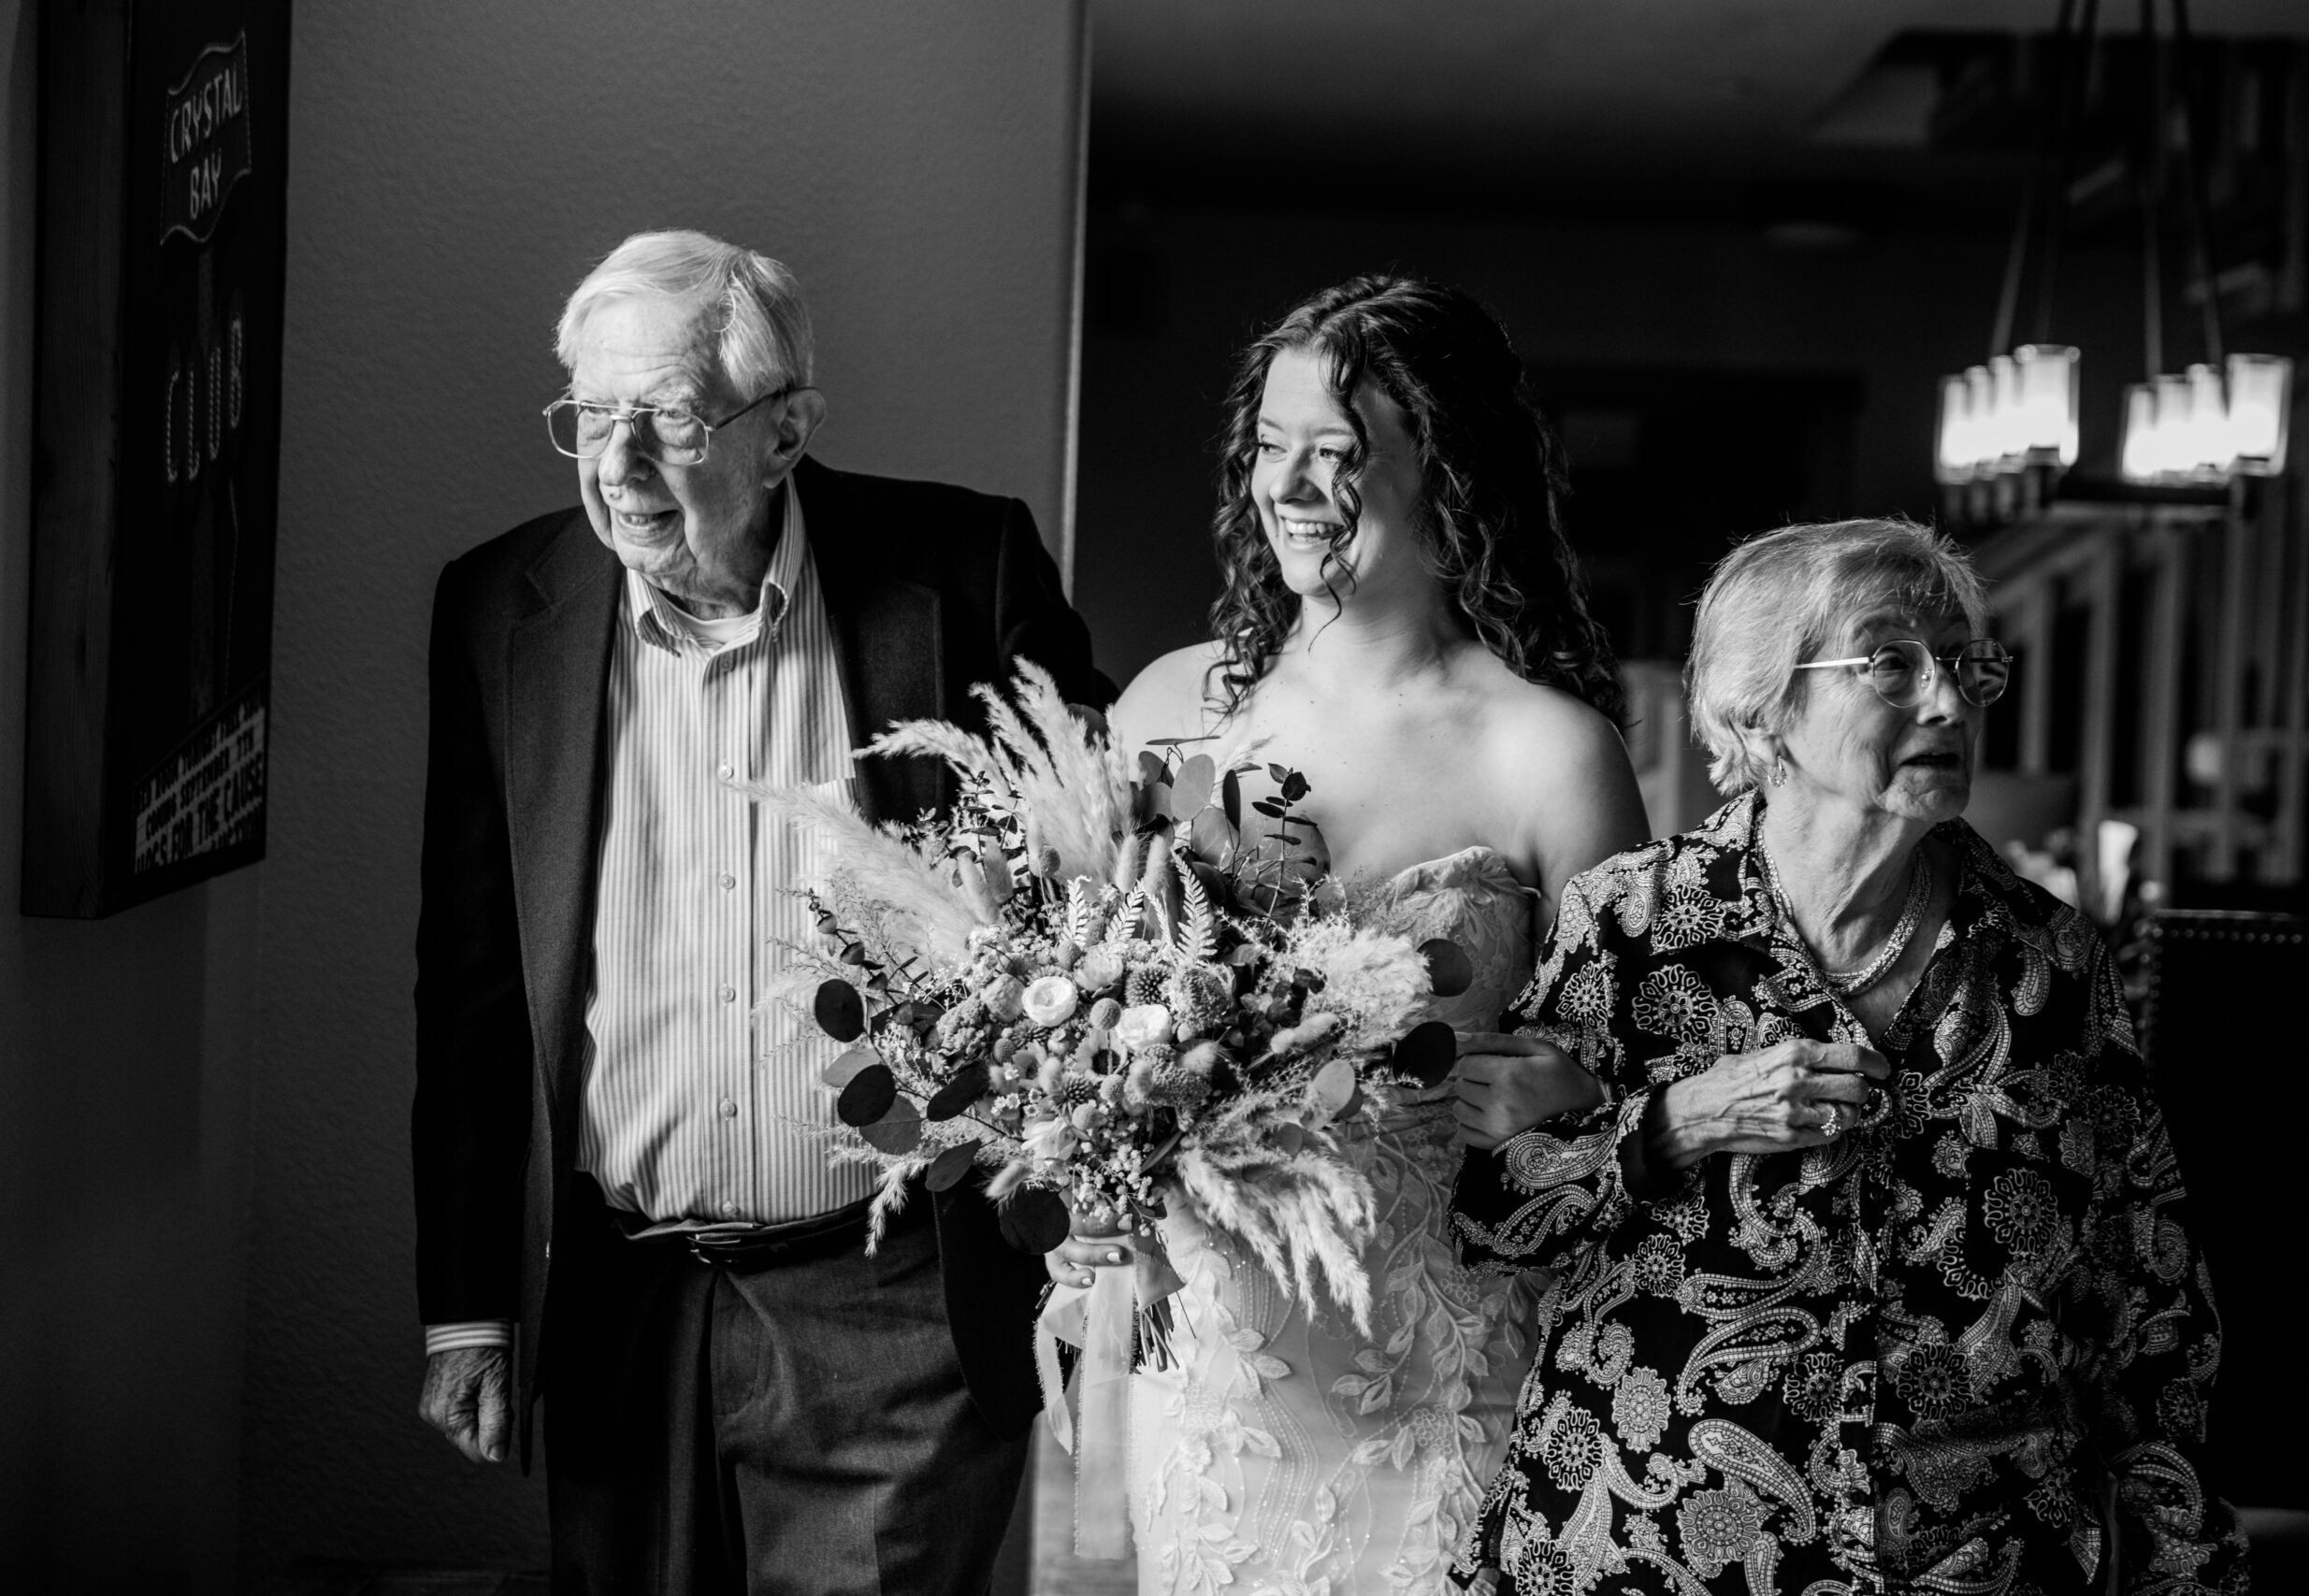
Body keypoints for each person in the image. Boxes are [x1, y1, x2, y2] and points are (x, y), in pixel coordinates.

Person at [410, 229, 1102, 1594]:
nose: (618, 465)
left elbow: (1101, 897)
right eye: (590, 419)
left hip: (894, 1305)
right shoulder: (501, 607)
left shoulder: (965, 573)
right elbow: (475, 981)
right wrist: (465, 1305)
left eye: (666, 418)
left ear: (784, 431)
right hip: (623, 1304)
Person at [1447, 519, 2247, 1595]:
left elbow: (2146, 1295)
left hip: (1967, 1560)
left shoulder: (2046, 964)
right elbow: (1491, 1216)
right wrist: (1678, 1122)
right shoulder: (1635, 923)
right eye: (1891, 664)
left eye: (1967, 665)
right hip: (1654, 1540)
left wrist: (2186, 1568)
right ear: (1764, 710)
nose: (1949, 703)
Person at [1065, 275, 1650, 1593]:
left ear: (1450, 472)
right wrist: (1087, 1167)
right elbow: (1088, 1022)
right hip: (1220, 1367)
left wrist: (1570, 1088)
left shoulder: (1551, 752)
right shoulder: (1174, 712)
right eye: (1270, 446)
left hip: (1449, 1367)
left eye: (1338, 449)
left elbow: (1647, 1066)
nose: (1292, 482)